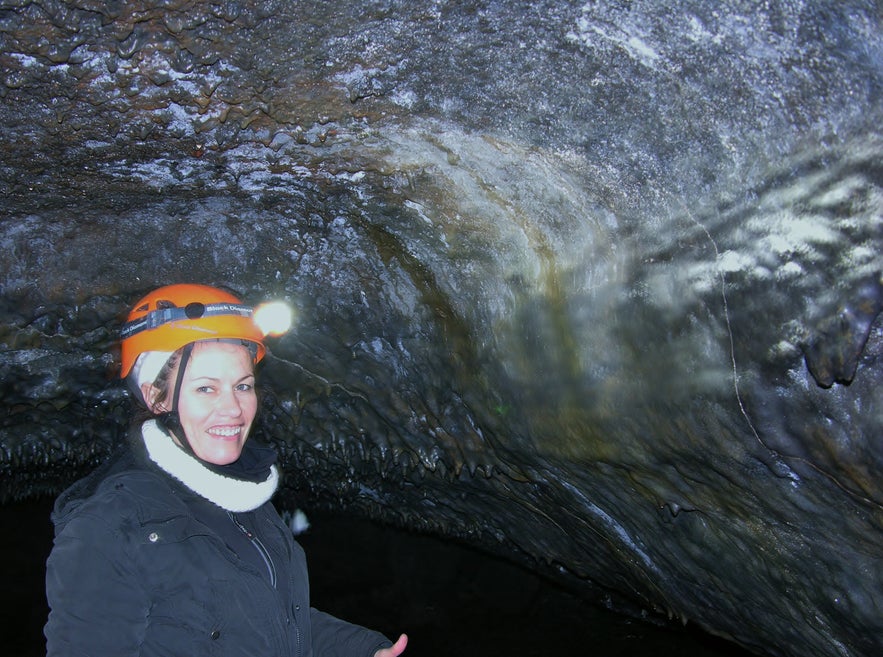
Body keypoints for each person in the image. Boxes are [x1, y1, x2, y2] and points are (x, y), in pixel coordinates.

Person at [44, 283, 408, 657]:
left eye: (243, 386)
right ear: (156, 397)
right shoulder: (110, 523)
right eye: (206, 389)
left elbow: (272, 620)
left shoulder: (244, 498)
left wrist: (360, 650)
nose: (233, 408)